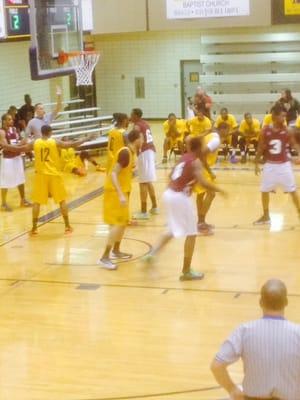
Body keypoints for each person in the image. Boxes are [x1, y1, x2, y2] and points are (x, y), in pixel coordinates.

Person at [144, 137, 226, 281]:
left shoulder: (183, 158)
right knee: (192, 233)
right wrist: (220, 190)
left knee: (171, 229)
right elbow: (203, 182)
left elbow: (171, 176)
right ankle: (186, 271)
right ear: (200, 147)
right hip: (180, 197)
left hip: (169, 193)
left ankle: (152, 254)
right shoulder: (196, 162)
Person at [211, 279, 300, 400]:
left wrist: (232, 389)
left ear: (260, 302)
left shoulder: (244, 331)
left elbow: (216, 366)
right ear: (286, 302)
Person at [22, 125, 92, 235]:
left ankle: (34, 228)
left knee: (37, 202)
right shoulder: (54, 142)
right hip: (54, 175)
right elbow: (72, 144)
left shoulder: (35, 142)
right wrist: (87, 138)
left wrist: (6, 146)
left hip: (40, 175)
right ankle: (67, 226)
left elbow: (19, 149)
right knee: (62, 200)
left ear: (41, 132)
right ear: (50, 132)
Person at [98, 129, 143, 270]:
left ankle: (116, 251)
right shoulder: (125, 152)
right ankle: (104, 257)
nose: (143, 141)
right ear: (136, 139)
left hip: (123, 191)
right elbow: (113, 174)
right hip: (114, 193)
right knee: (117, 224)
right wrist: (120, 194)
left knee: (123, 223)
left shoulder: (131, 152)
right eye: (141, 138)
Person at [254, 105, 300, 225]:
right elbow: (260, 147)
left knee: (292, 191)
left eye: (285, 116)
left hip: (284, 166)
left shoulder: (288, 130)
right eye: (282, 116)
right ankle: (266, 216)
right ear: (274, 116)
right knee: (264, 190)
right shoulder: (265, 130)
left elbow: (294, 145)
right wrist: (256, 163)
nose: (284, 118)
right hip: (270, 165)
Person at [195, 123, 229, 235]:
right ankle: (200, 223)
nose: (228, 133)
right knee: (211, 194)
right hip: (202, 167)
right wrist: (209, 171)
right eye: (227, 130)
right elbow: (202, 154)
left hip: (198, 166)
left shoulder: (211, 135)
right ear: (222, 129)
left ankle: (201, 222)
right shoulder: (215, 140)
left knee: (200, 195)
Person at [131, 108, 158, 220]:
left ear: (136, 115)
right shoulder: (145, 123)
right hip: (151, 151)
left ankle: (143, 211)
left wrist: (134, 152)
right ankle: (155, 207)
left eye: (131, 114)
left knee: (142, 182)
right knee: (148, 181)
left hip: (144, 153)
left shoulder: (137, 126)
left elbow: (139, 139)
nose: (130, 116)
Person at [0, 113, 31, 211]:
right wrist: (20, 147)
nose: (11, 121)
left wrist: (23, 143)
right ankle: (3, 204)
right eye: (9, 119)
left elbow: (21, 140)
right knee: (5, 181)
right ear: (4, 121)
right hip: (8, 159)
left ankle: (23, 200)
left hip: (17, 157)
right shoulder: (1, 132)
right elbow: (5, 146)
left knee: (20, 179)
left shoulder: (14, 129)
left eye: (11, 119)